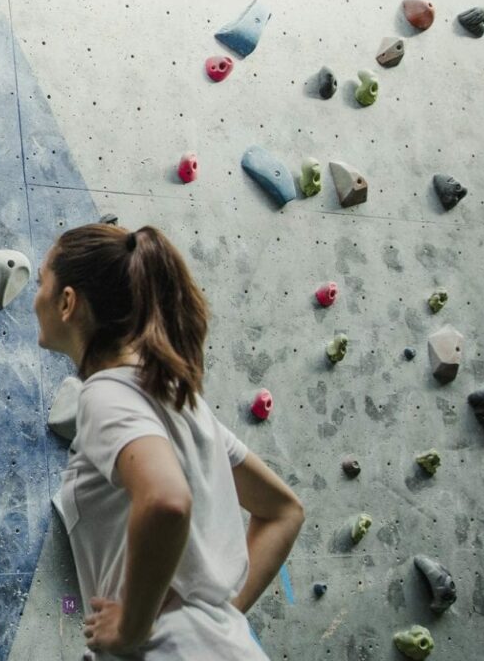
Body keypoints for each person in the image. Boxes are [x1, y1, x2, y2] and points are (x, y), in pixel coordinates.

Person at [32, 223, 305, 658]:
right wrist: (214, 620)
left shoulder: (105, 394)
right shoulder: (182, 403)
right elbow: (284, 511)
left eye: (41, 281)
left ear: (67, 302)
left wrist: (133, 629)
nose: (35, 299)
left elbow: (166, 500)